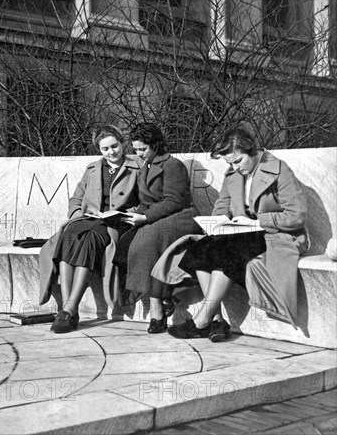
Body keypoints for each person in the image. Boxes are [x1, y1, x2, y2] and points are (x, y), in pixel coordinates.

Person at [167, 127, 308, 341]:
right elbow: (222, 205)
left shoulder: (279, 170)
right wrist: (219, 222)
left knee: (228, 251)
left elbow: (297, 216)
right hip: (243, 234)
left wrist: (257, 221)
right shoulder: (234, 173)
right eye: (229, 163)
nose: (234, 167)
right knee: (201, 248)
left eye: (238, 161)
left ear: (251, 150)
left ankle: (202, 320)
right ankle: (217, 321)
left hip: (274, 234)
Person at [39, 125, 140, 333]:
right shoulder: (93, 168)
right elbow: (76, 198)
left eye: (115, 146)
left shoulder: (137, 166)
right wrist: (78, 215)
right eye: (105, 149)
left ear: (122, 143)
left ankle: (68, 309)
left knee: (90, 238)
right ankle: (69, 309)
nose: (111, 152)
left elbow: (146, 200)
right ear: (99, 150)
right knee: (69, 234)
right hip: (88, 218)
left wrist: (129, 213)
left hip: (116, 222)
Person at [113, 123, 200, 333]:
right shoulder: (146, 166)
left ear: (156, 145)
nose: (139, 154)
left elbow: (174, 201)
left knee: (148, 238)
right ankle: (163, 299)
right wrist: (131, 213)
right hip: (159, 217)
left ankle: (156, 308)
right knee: (128, 238)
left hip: (181, 217)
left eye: (143, 149)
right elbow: (147, 200)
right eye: (136, 149)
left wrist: (145, 217)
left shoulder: (173, 165)